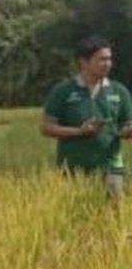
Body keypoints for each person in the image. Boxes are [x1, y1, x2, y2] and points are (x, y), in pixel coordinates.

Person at [41, 35, 132, 200]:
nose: (108, 64)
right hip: (73, 170)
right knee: (73, 218)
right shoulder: (63, 91)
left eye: (109, 59)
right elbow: (47, 127)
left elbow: (127, 124)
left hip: (111, 167)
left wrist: (127, 131)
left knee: (113, 217)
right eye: (102, 60)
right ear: (83, 61)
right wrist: (79, 131)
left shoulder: (119, 91)